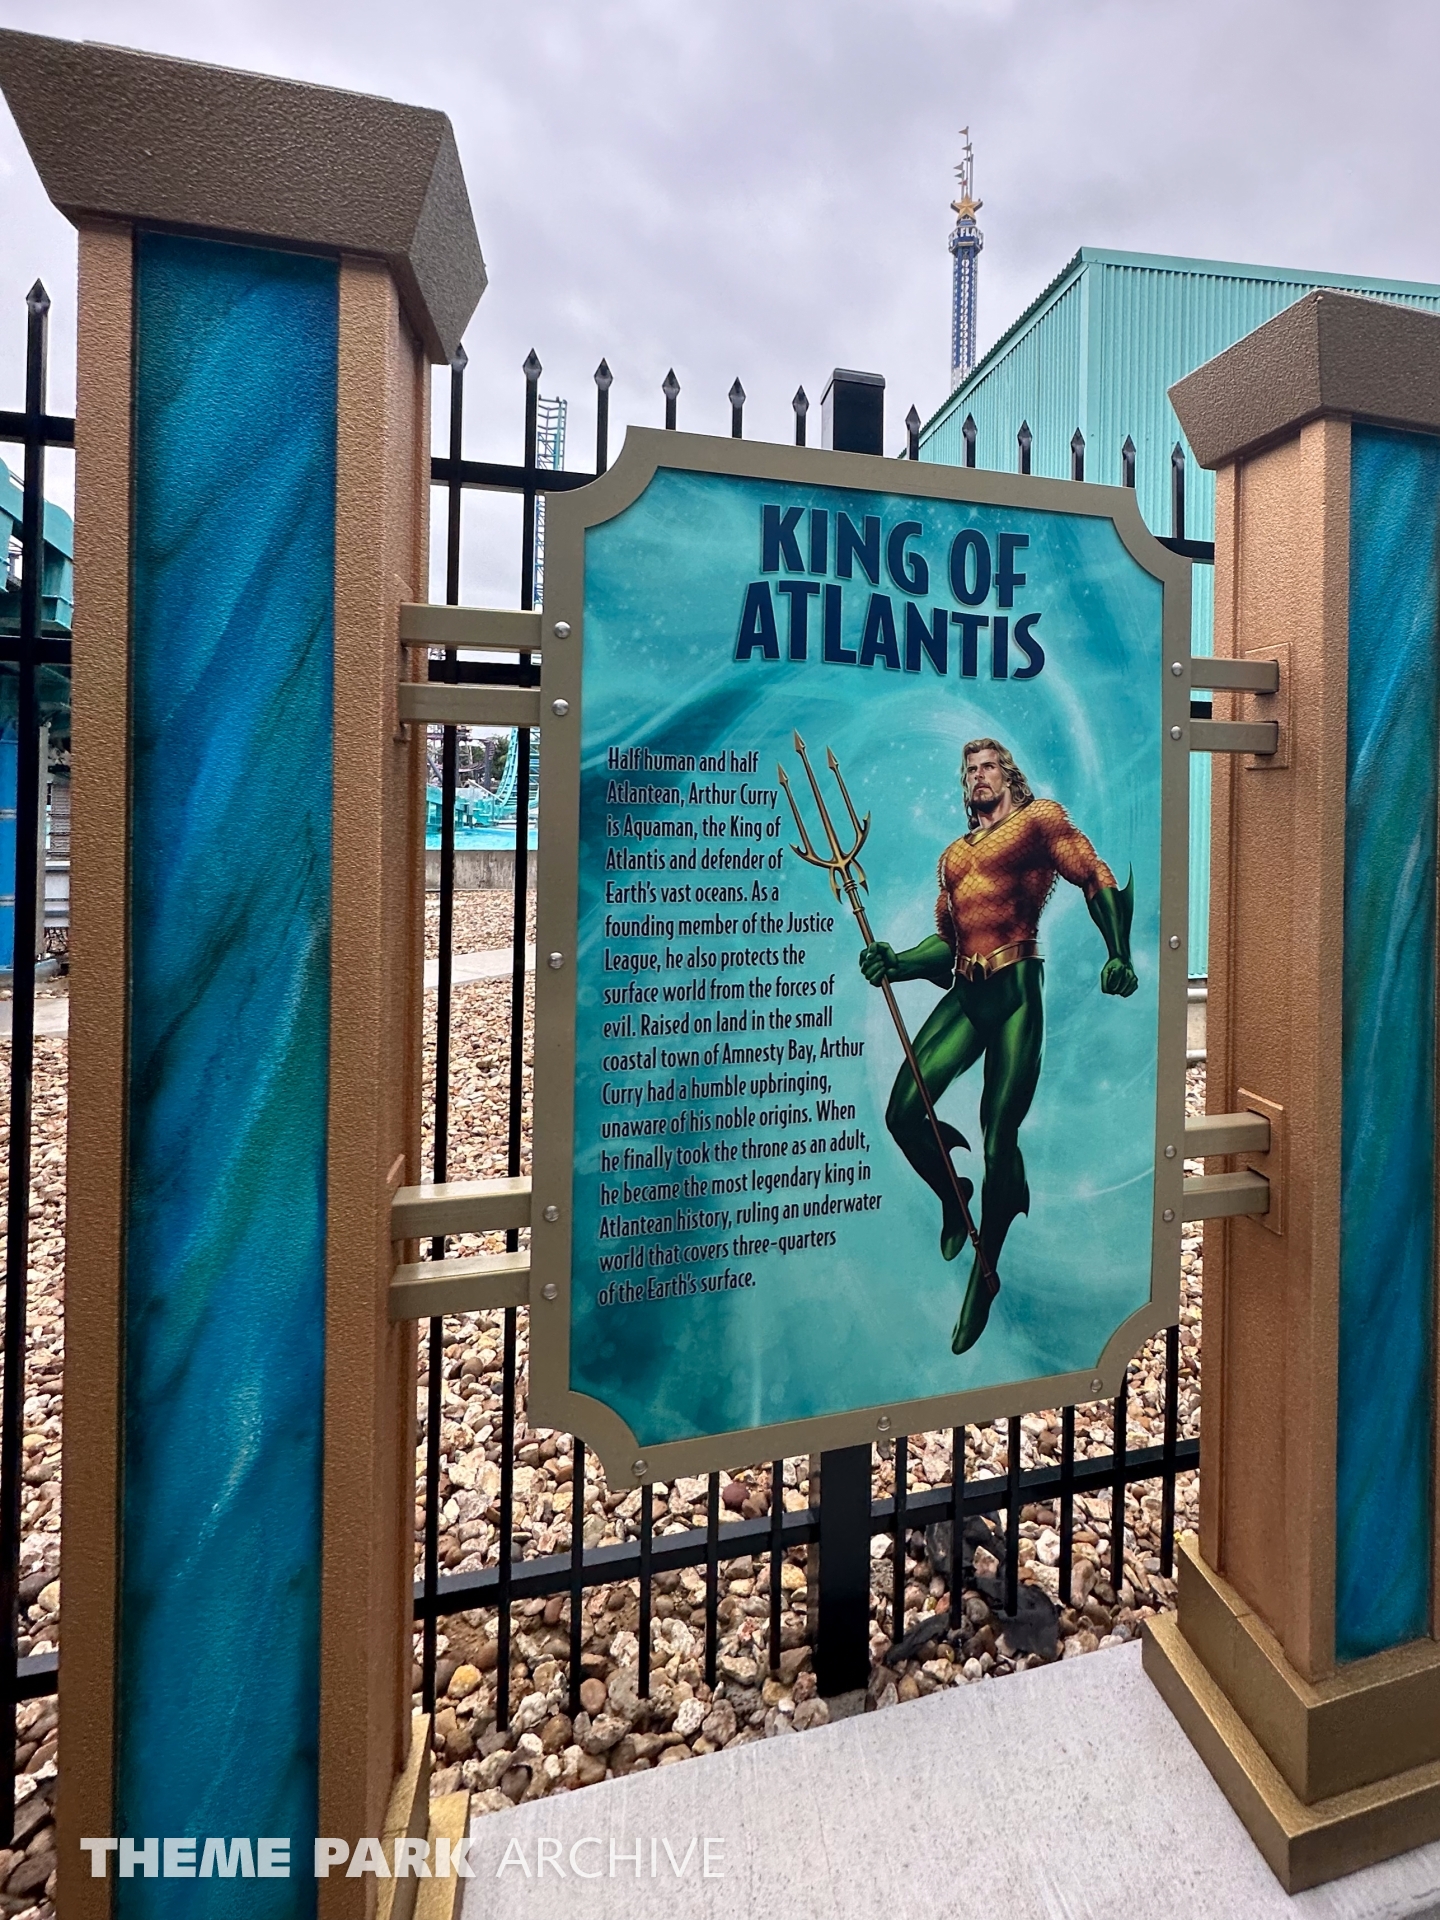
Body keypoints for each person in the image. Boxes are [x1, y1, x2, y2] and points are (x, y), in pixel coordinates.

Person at [859, 737, 1137, 1354]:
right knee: (903, 1114)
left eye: (988, 767)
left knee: (997, 1139)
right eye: (970, 770)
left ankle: (986, 1274)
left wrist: (1118, 951)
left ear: (1008, 775)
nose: (979, 776)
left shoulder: (1038, 823)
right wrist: (896, 962)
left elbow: (1093, 874)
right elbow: (946, 944)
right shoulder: (954, 857)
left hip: (1015, 994)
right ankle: (952, 1195)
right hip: (966, 993)